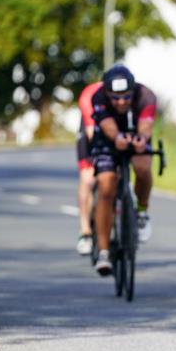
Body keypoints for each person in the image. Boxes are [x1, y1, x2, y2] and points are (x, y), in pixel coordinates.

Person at [88, 65, 157, 276]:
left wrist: (142, 139)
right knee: (106, 185)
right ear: (107, 93)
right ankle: (104, 252)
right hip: (108, 139)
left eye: (126, 97)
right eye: (115, 98)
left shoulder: (146, 95)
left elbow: (146, 124)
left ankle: (142, 212)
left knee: (143, 167)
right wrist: (117, 137)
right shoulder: (98, 96)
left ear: (133, 91)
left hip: (135, 134)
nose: (121, 102)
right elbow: (108, 125)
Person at [74, 81, 99, 255]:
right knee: (89, 179)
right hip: (91, 131)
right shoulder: (89, 96)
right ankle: (85, 231)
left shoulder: (131, 97)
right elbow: (92, 133)